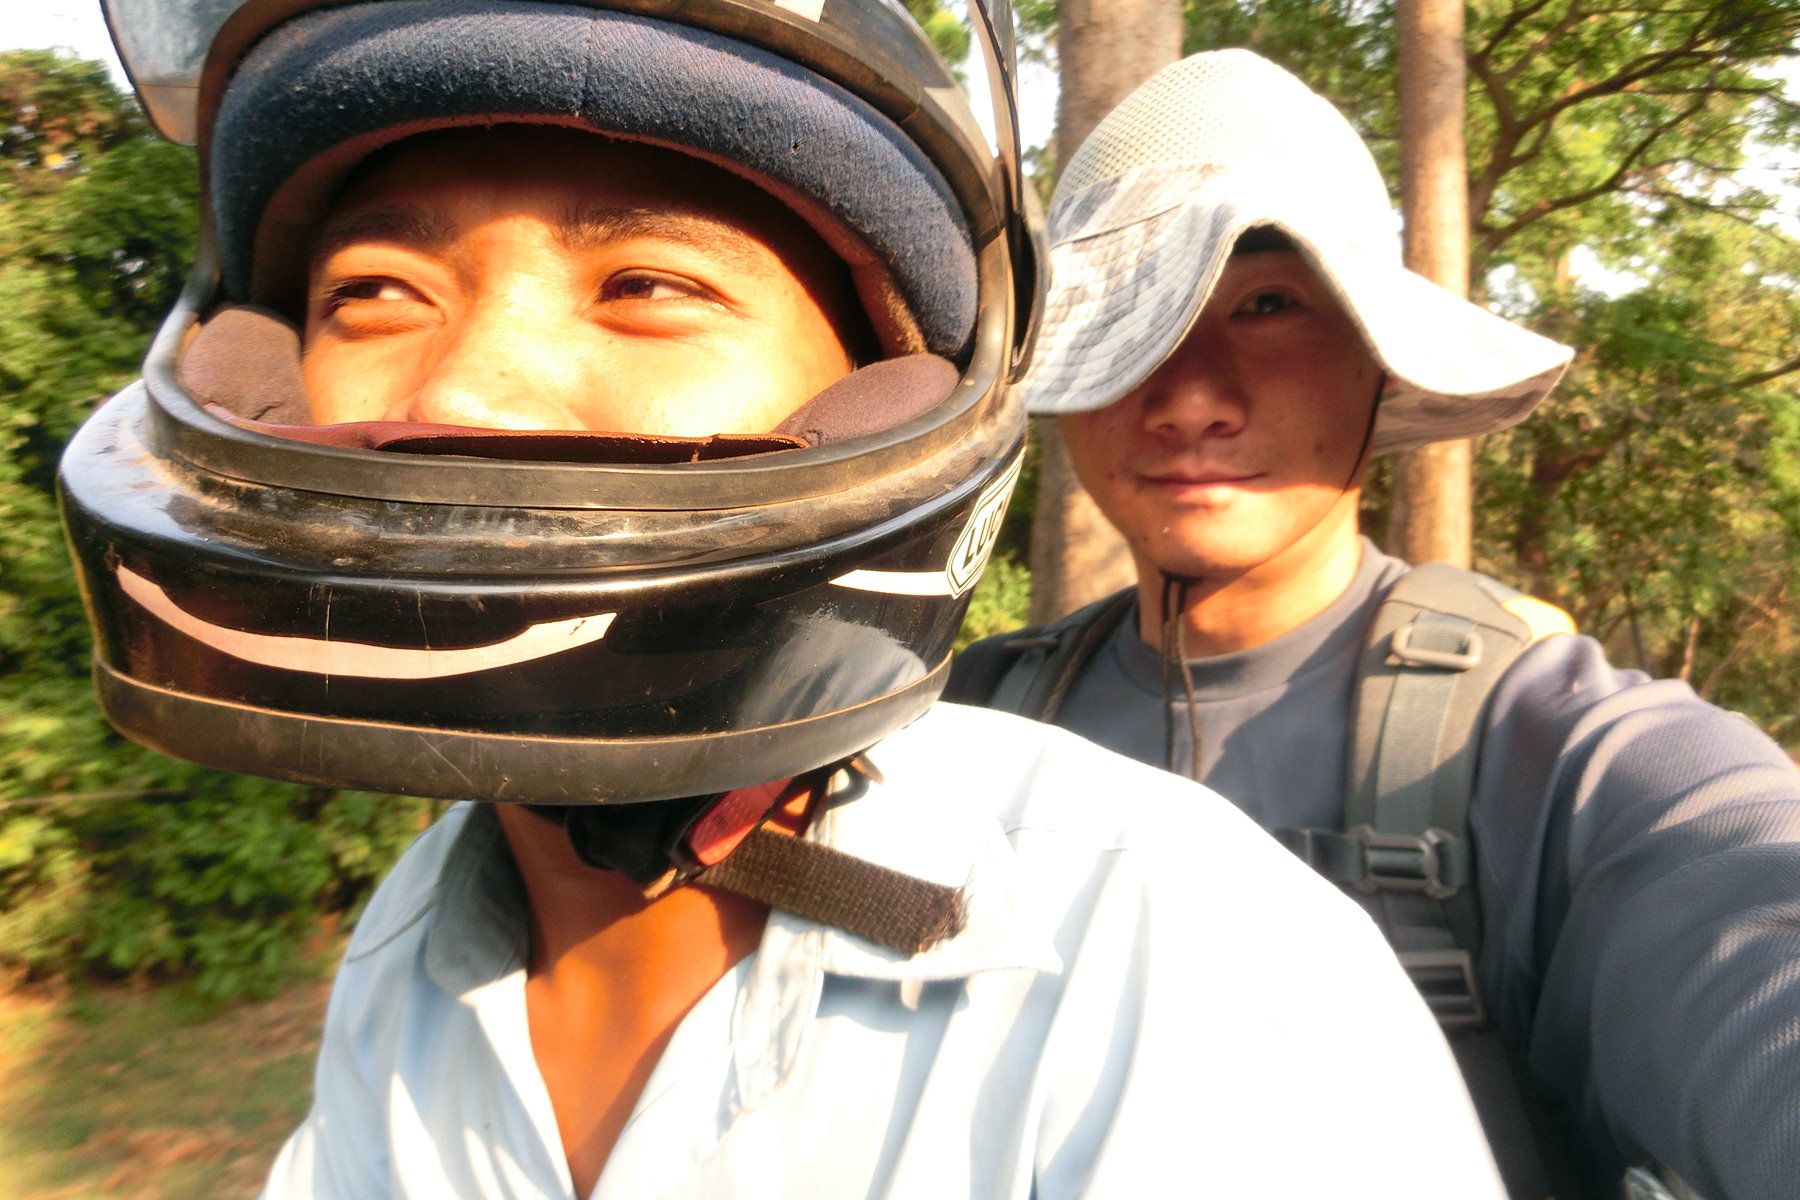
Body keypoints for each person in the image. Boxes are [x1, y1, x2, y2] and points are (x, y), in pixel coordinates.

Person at [59, 4, 1507, 1197]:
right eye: (376, 293)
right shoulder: (413, 932)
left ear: (877, 403)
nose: (463, 391)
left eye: (645, 285)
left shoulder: (1183, 960)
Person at [950, 48, 1800, 1200]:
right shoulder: (971, 724)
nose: (1189, 396)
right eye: (1133, 317)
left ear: (1378, 363)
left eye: (1268, 305)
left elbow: (1746, 914)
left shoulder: (1541, 746)